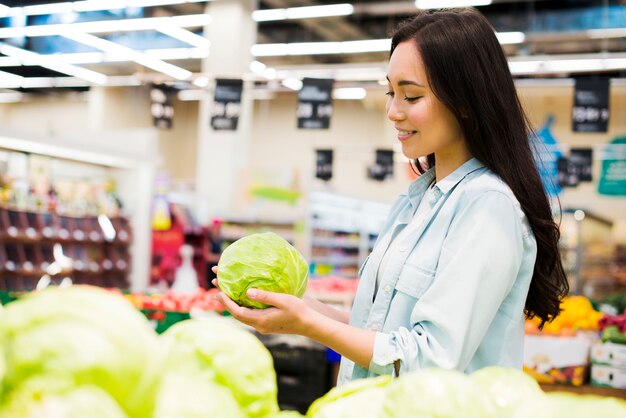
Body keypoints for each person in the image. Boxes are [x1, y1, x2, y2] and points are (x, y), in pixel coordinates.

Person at [214, 7, 569, 385]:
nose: (392, 111)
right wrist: (298, 309)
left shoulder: (488, 207)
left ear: (466, 102)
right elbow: (377, 334)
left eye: (411, 96)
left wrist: (309, 324)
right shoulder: (415, 202)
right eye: (390, 91)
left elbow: (431, 358)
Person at [205, 217, 223, 287]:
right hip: (210, 270)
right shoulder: (208, 240)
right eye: (216, 227)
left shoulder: (219, 239)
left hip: (217, 270)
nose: (218, 229)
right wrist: (220, 257)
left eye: (219, 227)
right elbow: (207, 256)